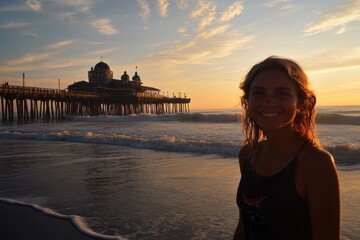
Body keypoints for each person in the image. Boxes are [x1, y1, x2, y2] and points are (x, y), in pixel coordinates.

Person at [233, 56, 340, 240]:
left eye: (282, 93)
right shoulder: (248, 155)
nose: (269, 102)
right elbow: (245, 225)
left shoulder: (315, 164)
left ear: (301, 103)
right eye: (259, 93)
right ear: (247, 100)